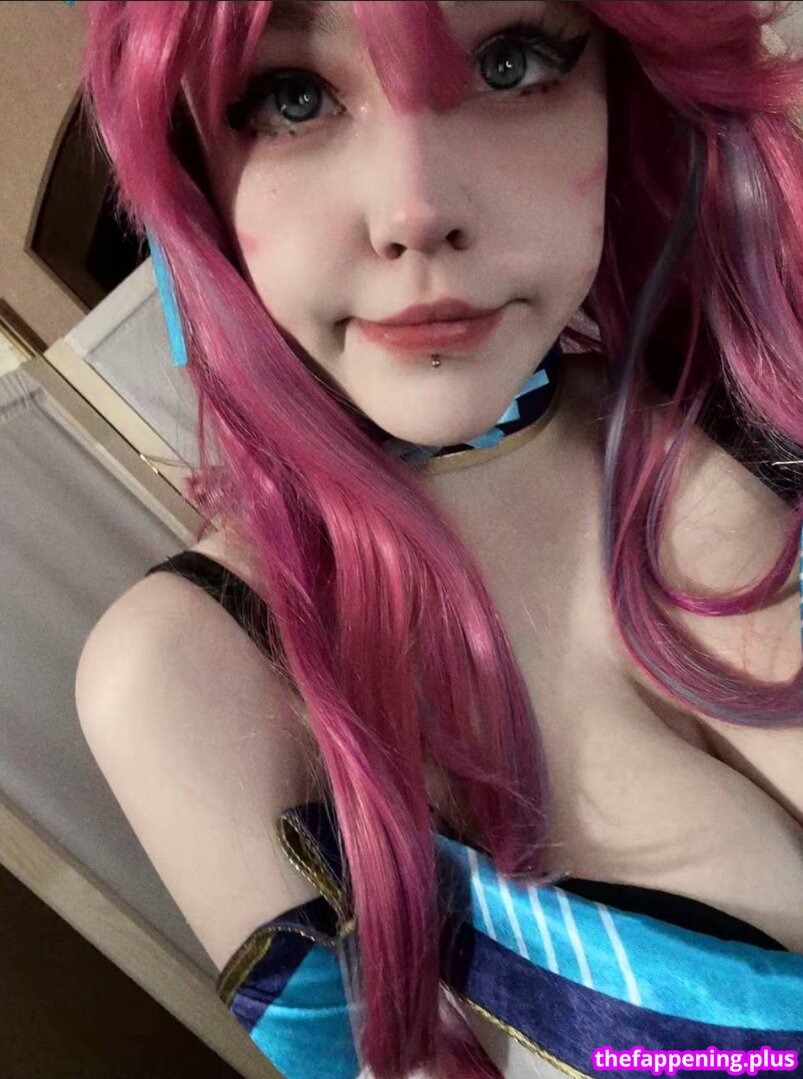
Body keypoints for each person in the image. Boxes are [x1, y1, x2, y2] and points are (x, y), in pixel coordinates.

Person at [73, 2, 803, 1077]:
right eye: (291, 98)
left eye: (510, 63)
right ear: (189, 170)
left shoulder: (744, 395)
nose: (415, 211)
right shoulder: (190, 676)